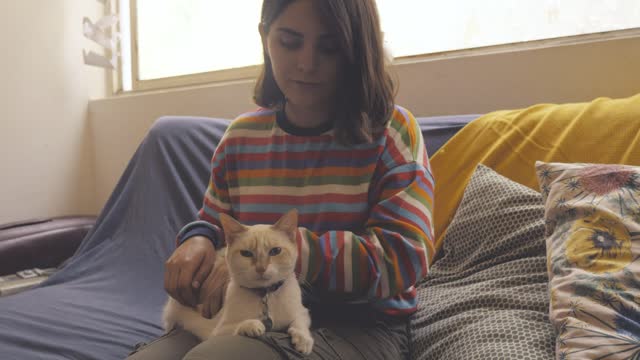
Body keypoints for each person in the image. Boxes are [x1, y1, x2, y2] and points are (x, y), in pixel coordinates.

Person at [127, 0, 435, 358]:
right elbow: (217, 223)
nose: (306, 63)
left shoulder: (394, 133)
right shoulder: (240, 138)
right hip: (249, 307)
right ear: (265, 36)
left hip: (359, 322)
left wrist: (285, 253)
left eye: (330, 46)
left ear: (357, 48)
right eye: (289, 42)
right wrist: (198, 239)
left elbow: (404, 256)